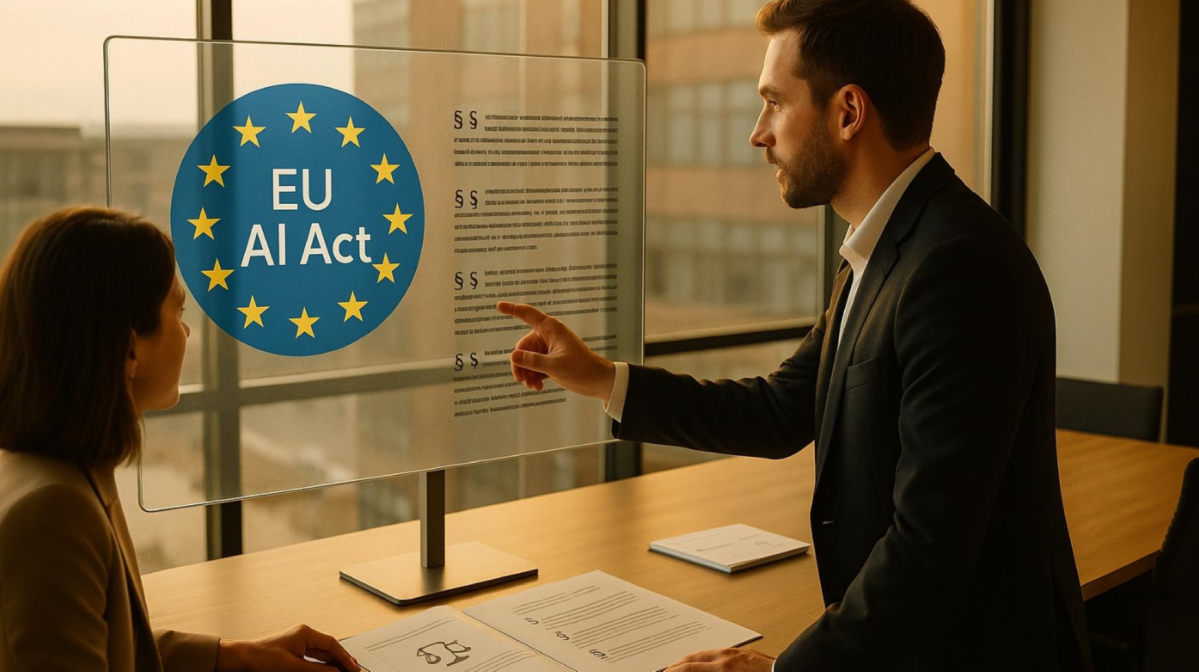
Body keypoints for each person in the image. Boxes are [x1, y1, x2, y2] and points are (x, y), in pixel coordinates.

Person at [496, 0, 1091, 669]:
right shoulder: (885, 249)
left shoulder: (955, 267)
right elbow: (779, 410)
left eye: (774, 102)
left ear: (846, 112)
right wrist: (599, 377)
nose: (757, 133)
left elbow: (928, 544)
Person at [0, 207, 360, 672]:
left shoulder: (47, 473)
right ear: (130, 348)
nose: (187, 331)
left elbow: (105, 641)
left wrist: (233, 656)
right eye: (178, 310)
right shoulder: (55, 513)